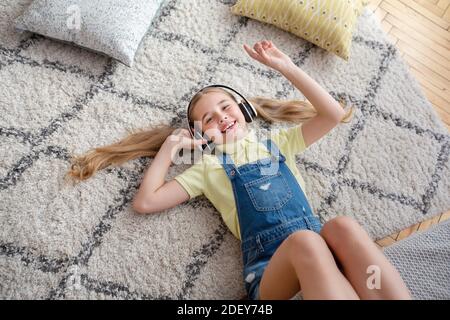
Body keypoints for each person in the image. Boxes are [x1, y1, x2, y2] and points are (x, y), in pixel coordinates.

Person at [68, 40, 411, 300]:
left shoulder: (280, 143)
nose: (221, 117)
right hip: (270, 274)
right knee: (306, 241)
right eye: (209, 120)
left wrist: (287, 67)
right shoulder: (208, 168)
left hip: (321, 258)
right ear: (202, 135)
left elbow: (332, 114)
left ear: (245, 111)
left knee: (342, 226)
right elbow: (145, 202)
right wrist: (170, 148)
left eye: (225, 107)